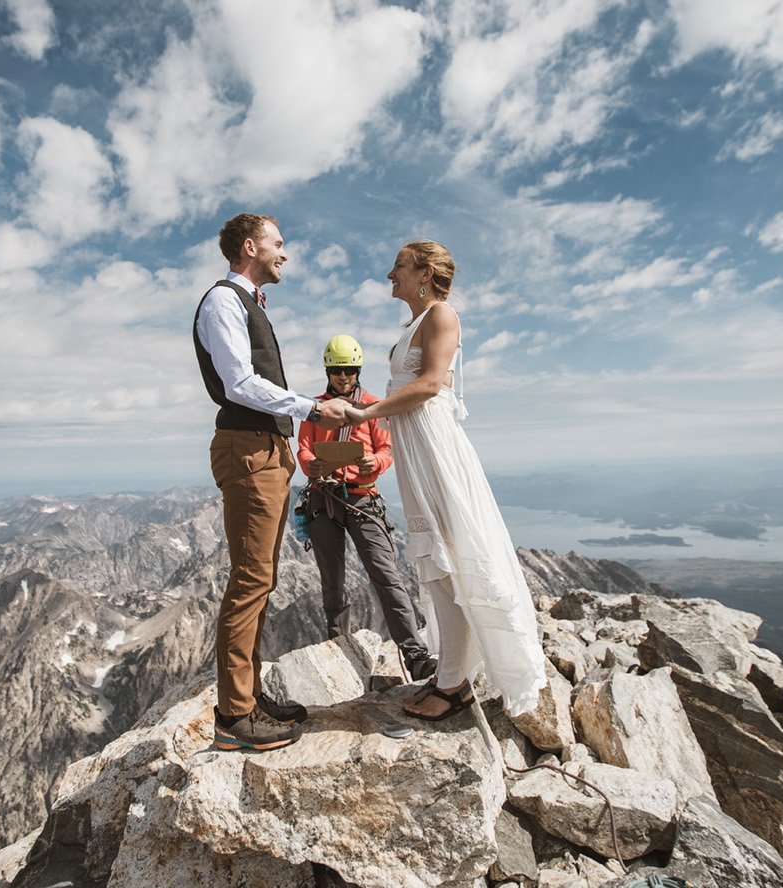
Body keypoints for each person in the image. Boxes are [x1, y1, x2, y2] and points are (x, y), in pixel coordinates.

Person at [344, 242, 547, 721]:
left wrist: (365, 411)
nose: (389, 272)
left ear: (425, 273)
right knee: (437, 559)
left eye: (399, 265)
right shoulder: (415, 323)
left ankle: (454, 685)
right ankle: (450, 673)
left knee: (449, 554)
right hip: (416, 447)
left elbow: (432, 383)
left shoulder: (442, 315)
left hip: (433, 447)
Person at [193, 213, 354, 752]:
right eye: (277, 243)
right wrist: (311, 408)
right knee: (250, 580)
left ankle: (250, 697)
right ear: (249, 246)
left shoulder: (249, 304)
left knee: (261, 579)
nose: (284, 253)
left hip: (265, 450)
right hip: (248, 450)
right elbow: (239, 383)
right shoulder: (223, 301)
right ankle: (235, 714)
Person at [297, 334, 437, 682]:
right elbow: (302, 448)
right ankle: (338, 648)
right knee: (333, 583)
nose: (344, 377)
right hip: (324, 497)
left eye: (350, 370)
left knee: (386, 575)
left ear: (358, 370)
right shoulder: (314, 409)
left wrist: (372, 463)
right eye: (337, 370)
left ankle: (416, 655)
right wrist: (311, 465)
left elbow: (386, 450)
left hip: (361, 496)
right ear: (328, 370)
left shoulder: (374, 406)